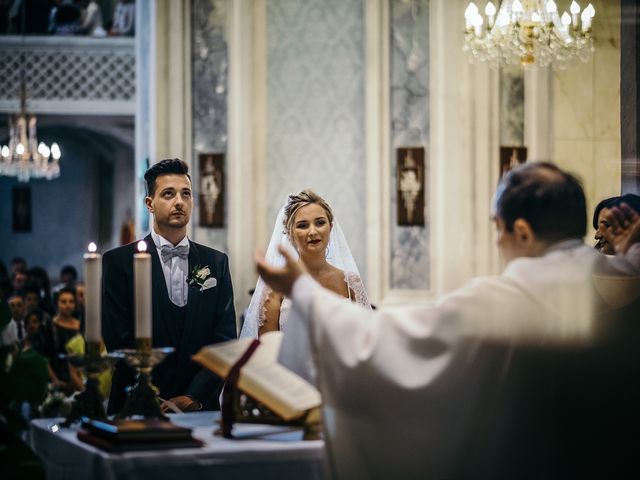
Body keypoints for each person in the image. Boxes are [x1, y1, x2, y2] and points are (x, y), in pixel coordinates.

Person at [257, 162, 640, 479]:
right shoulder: (626, 284)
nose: (496, 240)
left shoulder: (497, 304)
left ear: (520, 231)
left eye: (497, 227)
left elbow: (377, 345)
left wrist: (300, 290)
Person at [102, 158, 236, 414]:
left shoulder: (216, 263)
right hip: (135, 403)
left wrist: (194, 396)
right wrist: (149, 394)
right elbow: (118, 339)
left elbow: (225, 340)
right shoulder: (118, 262)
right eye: (168, 194)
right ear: (149, 204)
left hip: (199, 408)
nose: (179, 202)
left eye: (186, 194)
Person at [241, 189, 369, 339]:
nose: (313, 231)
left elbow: (367, 338)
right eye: (302, 225)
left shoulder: (351, 283)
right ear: (290, 233)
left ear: (331, 227)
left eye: (320, 223)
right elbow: (268, 350)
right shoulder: (276, 286)